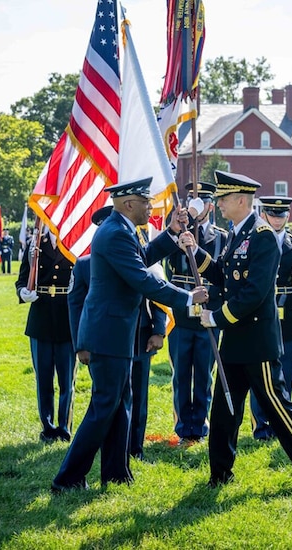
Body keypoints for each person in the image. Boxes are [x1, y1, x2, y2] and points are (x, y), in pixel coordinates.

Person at [51, 178, 208, 492]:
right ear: (127, 204)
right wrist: (188, 297)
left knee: (120, 404)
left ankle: (116, 472)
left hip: (115, 334)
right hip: (108, 334)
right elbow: (142, 278)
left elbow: (145, 256)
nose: (150, 207)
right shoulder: (114, 234)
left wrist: (173, 233)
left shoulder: (121, 231)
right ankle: (68, 478)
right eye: (145, 201)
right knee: (104, 406)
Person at [196, 170, 292, 487]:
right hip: (235, 341)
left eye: (223, 199)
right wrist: (196, 253)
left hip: (256, 342)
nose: (218, 205)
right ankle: (220, 474)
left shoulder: (262, 236)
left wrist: (216, 318)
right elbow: (224, 274)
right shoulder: (236, 233)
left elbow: (255, 292)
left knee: (279, 409)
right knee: (224, 412)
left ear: (241, 200)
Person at [164, 181, 227, 443]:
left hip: (208, 313)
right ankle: (183, 428)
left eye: (201, 201)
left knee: (204, 373)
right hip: (180, 312)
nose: (196, 206)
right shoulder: (176, 232)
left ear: (210, 206)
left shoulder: (222, 236)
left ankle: (199, 427)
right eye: (191, 200)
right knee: (181, 373)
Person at [249, 196, 292, 441]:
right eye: (273, 214)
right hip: (260, 314)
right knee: (259, 372)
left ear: (288, 216)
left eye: (281, 215)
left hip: (288, 314)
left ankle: (282, 424)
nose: (277, 219)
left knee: (286, 373)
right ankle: (261, 426)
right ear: (264, 215)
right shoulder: (254, 241)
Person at [16, 219, 77, 444]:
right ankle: (47, 426)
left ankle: (64, 426)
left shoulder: (74, 243)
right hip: (41, 317)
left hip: (66, 317)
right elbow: (22, 279)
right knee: (43, 378)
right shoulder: (35, 244)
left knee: (66, 379)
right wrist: (23, 291)